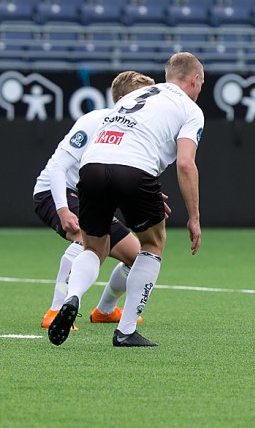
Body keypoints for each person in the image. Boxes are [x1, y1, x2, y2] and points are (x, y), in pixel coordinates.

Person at [47, 53, 205, 348]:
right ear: (194, 80)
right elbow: (185, 164)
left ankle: (73, 297)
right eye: (201, 85)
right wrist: (194, 217)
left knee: (93, 246)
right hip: (135, 170)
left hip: (92, 166)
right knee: (152, 243)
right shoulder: (190, 108)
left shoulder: (138, 94)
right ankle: (126, 331)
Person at [34, 71, 156, 331]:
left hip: (88, 195)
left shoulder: (135, 130)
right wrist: (63, 209)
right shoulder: (94, 120)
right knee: (84, 238)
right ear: (123, 99)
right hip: (55, 193)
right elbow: (58, 167)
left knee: (137, 256)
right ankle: (56, 309)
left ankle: (105, 310)